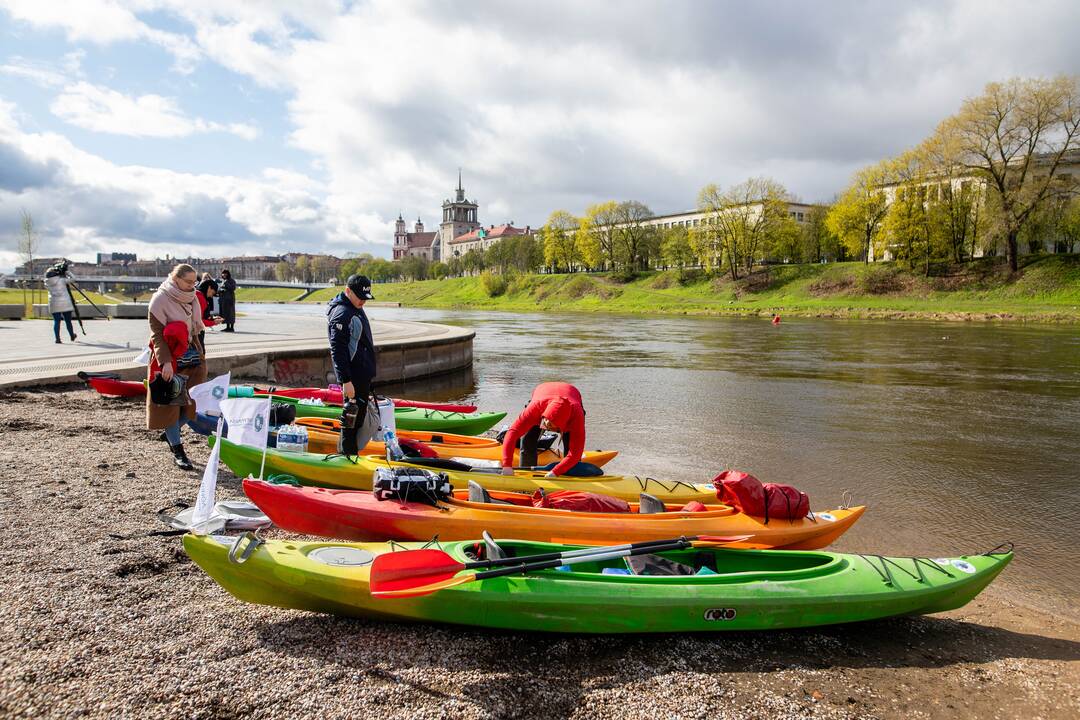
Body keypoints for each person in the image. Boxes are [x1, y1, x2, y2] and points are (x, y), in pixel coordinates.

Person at [146, 264, 207, 471]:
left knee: (193, 402)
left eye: (194, 282)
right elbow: (157, 336)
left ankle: (170, 432)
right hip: (169, 358)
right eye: (188, 282)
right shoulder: (160, 300)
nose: (193, 286)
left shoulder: (193, 297)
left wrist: (201, 354)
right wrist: (165, 363)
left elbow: (195, 330)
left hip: (191, 356)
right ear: (176, 278)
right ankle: (178, 450)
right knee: (171, 405)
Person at [327, 274, 376, 454]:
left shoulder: (354, 306)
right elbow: (337, 350)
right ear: (348, 291)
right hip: (353, 378)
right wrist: (345, 380)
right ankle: (347, 456)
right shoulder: (343, 313)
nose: (363, 301)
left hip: (361, 375)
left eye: (366, 298)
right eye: (360, 297)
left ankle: (349, 453)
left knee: (357, 419)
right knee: (351, 419)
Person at [501, 382, 586, 477]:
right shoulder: (534, 409)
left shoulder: (577, 417)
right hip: (542, 394)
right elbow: (512, 433)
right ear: (544, 417)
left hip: (572, 394)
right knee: (527, 442)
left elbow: (575, 453)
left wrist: (555, 472)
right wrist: (507, 465)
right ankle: (527, 474)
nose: (547, 428)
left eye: (552, 427)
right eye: (547, 424)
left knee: (570, 447)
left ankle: (570, 477)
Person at [44, 260, 78, 344]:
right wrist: (67, 272)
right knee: (68, 321)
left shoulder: (46, 283)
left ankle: (57, 338)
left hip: (54, 303)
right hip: (65, 303)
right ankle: (71, 335)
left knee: (56, 321)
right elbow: (74, 279)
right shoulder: (62, 280)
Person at [195, 277, 221, 350]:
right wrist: (213, 322)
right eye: (213, 293)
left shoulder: (196, 294)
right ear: (209, 288)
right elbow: (198, 321)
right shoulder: (200, 298)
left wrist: (212, 319)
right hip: (196, 333)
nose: (211, 296)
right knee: (200, 355)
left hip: (191, 333)